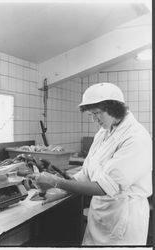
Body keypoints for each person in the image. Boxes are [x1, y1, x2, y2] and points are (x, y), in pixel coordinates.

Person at [29, 82, 152, 245]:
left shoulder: (135, 137)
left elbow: (103, 187)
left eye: (97, 113)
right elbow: (86, 173)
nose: (94, 119)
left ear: (114, 108)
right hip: (100, 214)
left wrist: (56, 182)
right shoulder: (104, 132)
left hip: (123, 218)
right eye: (90, 115)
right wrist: (62, 186)